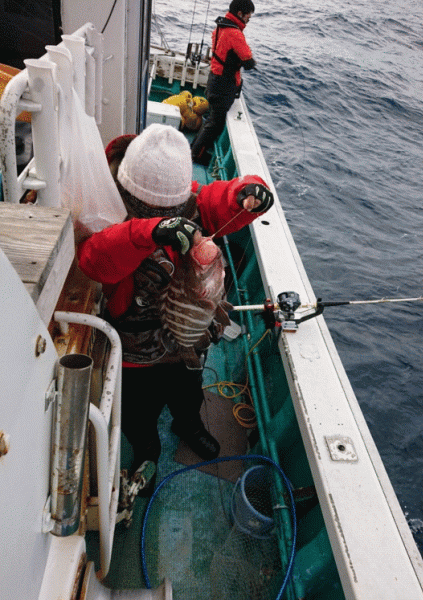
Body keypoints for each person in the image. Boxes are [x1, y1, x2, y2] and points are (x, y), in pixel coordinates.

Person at [77, 123, 274, 479]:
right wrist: (147, 231)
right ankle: (147, 446)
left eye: (171, 209)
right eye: (149, 210)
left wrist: (248, 193)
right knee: (140, 411)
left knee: (188, 392)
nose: (165, 215)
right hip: (136, 356)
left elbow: (218, 201)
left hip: (187, 342)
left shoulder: (189, 202)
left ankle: (189, 425)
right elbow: (95, 259)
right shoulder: (109, 212)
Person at [191, 0, 256, 164]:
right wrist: (247, 62)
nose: (249, 18)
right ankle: (195, 154)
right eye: (249, 15)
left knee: (212, 120)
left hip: (214, 79)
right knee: (215, 124)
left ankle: (194, 148)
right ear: (240, 13)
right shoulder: (235, 34)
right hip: (224, 85)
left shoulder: (220, 27)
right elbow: (248, 60)